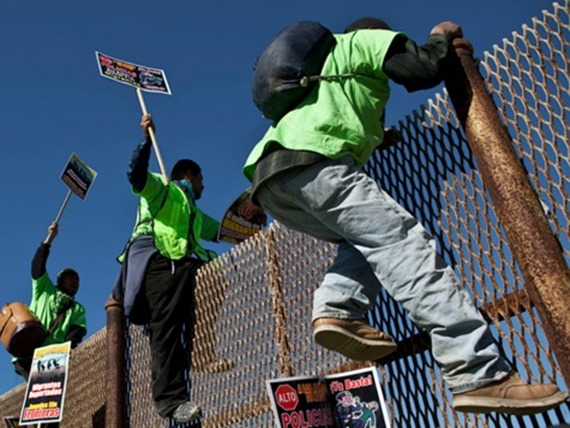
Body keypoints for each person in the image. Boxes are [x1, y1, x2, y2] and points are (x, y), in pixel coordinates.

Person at [243, 17, 568, 415]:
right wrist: (441, 36)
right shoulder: (364, 40)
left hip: (271, 181)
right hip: (320, 164)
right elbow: (422, 68)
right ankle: (479, 372)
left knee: (363, 243)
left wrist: (383, 136)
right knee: (406, 248)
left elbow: (358, 120)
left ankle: (336, 308)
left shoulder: (325, 78)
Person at [112, 114, 222, 425]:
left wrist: (255, 217)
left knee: (215, 276)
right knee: (166, 328)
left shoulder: (194, 211)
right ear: (189, 174)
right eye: (201, 177)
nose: (204, 184)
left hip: (185, 265)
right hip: (160, 262)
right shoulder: (164, 187)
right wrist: (147, 140)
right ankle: (170, 401)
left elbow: (225, 230)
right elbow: (135, 175)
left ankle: (201, 351)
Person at [13, 221, 87, 379]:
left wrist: (61, 354)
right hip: (27, 351)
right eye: (70, 278)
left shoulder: (77, 308)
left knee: (46, 397)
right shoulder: (45, 289)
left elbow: (75, 333)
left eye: (77, 280)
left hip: (51, 360)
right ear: (60, 280)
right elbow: (37, 264)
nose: (74, 282)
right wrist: (50, 238)